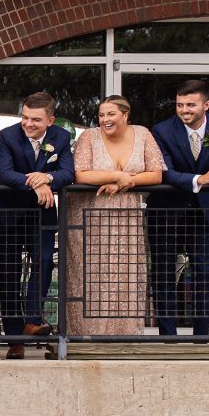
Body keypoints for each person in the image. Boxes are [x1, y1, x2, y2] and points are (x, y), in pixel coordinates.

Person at [66, 95, 166, 337]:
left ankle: (124, 335)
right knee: (91, 272)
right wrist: (115, 176)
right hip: (89, 213)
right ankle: (86, 334)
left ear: (125, 115)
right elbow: (79, 174)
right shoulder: (88, 137)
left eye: (110, 114)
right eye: (101, 115)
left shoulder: (142, 134)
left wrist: (126, 181)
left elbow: (156, 175)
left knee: (124, 271)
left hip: (126, 213)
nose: (104, 120)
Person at [0, 92, 74, 359]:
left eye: (35, 120)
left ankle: (32, 318)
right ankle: (15, 340)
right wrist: (37, 184)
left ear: (50, 120)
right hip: (10, 213)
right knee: (8, 274)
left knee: (45, 260)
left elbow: (68, 172)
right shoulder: (7, 136)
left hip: (42, 215)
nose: (28, 123)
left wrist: (47, 177)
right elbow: (5, 173)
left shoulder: (61, 137)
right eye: (24, 117)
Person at [147, 79, 209, 339]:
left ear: (206, 105)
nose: (184, 110)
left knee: (203, 276)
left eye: (190, 105)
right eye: (179, 104)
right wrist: (201, 180)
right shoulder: (161, 130)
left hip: (203, 213)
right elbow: (166, 172)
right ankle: (168, 337)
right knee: (164, 274)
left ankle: (201, 337)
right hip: (166, 213)